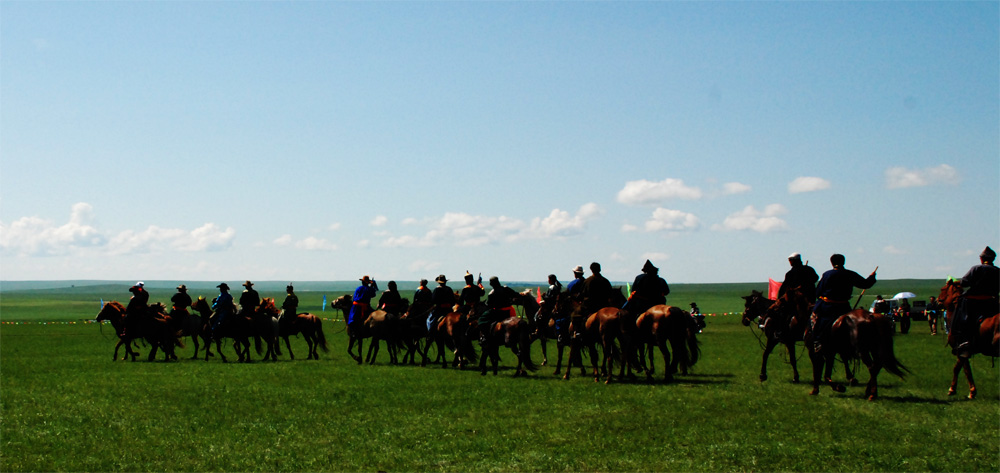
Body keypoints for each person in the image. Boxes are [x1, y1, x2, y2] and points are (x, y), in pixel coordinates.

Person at [811, 254, 877, 353]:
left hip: (829, 307)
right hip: (844, 306)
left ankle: (818, 341)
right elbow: (865, 284)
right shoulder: (850, 274)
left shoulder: (827, 274)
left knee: (818, 321)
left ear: (832, 262)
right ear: (843, 262)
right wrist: (871, 277)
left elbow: (818, 291)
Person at [953, 246, 999, 356]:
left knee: (965, 319)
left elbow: (964, 283)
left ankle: (966, 342)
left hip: (973, 301)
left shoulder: (976, 268)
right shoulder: (998, 270)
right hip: (992, 301)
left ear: (982, 259)